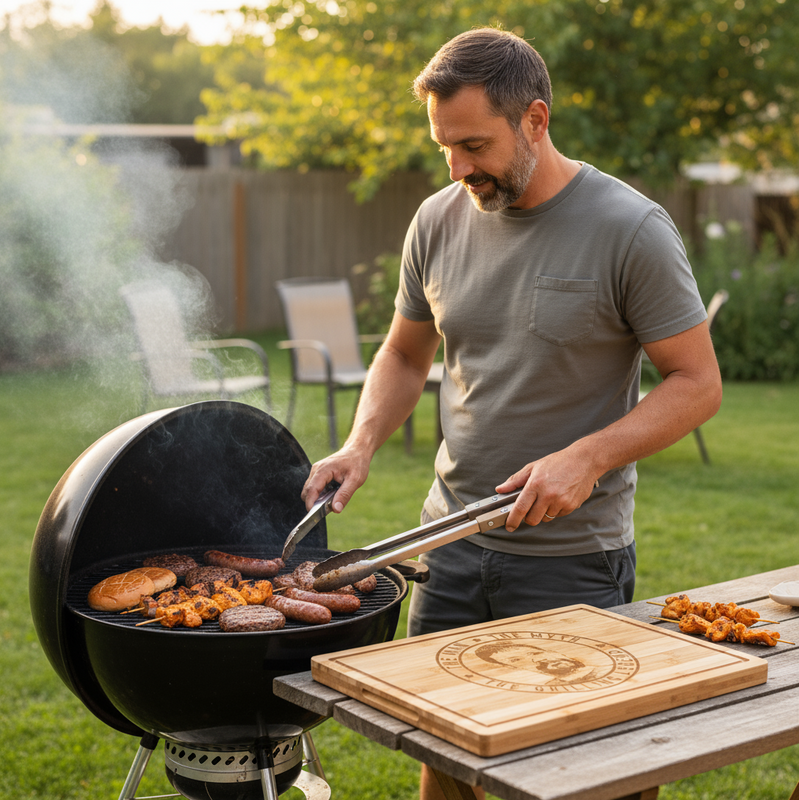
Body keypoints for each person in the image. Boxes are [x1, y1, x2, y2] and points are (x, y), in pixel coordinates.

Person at [301, 27, 722, 800]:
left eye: (474, 145)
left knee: (591, 772)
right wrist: (360, 444)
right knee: (447, 753)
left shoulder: (629, 228)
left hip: (571, 558)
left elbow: (697, 383)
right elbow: (403, 354)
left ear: (534, 120)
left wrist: (588, 457)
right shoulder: (436, 220)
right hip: (449, 544)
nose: (459, 168)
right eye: (444, 149)